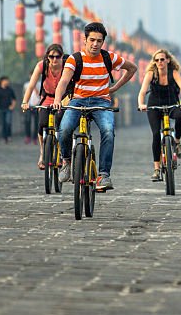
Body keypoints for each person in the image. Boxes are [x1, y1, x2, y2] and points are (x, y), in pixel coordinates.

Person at [52, 22, 137, 191]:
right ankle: (66, 161)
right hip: (78, 101)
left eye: (99, 41)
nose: (95, 44)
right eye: (92, 40)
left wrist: (115, 88)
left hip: (101, 101)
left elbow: (132, 68)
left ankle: (103, 174)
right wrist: (57, 99)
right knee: (65, 128)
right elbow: (63, 82)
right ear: (85, 40)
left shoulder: (109, 58)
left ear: (103, 42)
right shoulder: (74, 59)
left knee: (108, 131)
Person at [137, 49, 181, 182]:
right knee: (156, 134)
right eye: (157, 60)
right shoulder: (151, 74)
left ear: (168, 60)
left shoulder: (173, 73)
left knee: (180, 116)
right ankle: (156, 169)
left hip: (172, 103)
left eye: (162, 59)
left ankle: (177, 142)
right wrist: (141, 104)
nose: (160, 62)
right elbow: (142, 92)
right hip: (154, 106)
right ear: (154, 62)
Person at [21, 43, 66, 169]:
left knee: (63, 125)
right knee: (42, 124)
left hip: (63, 99)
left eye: (58, 57)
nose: (54, 60)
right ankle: (42, 152)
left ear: (62, 56)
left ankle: (62, 152)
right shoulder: (42, 66)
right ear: (47, 57)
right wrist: (25, 102)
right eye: (51, 57)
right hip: (47, 98)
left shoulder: (67, 67)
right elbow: (31, 85)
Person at [0, 76, 16, 143]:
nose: (8, 82)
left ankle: (9, 136)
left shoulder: (10, 90)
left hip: (8, 109)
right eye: (6, 80)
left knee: (8, 123)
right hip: (0, 109)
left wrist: (12, 106)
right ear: (2, 81)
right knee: (3, 124)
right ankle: (4, 137)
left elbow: (14, 99)